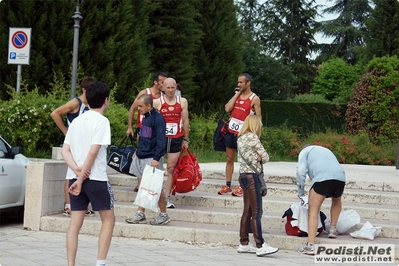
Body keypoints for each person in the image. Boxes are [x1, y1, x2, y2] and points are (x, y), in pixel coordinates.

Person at [61, 81, 115, 266]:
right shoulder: (102, 121)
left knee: (75, 224)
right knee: (108, 220)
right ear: (106, 100)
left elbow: (65, 151)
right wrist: (83, 175)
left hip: (73, 177)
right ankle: (100, 263)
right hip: (96, 178)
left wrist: (76, 171)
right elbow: (93, 151)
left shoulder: (76, 121)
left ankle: (70, 264)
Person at [51, 76, 96, 217]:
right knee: (71, 173)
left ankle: (82, 205)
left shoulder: (91, 105)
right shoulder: (75, 103)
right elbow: (55, 113)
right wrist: (65, 131)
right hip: (73, 145)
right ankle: (68, 205)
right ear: (84, 89)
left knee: (82, 173)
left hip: (85, 144)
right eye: (90, 90)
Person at [236, 115, 279, 257]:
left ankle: (244, 243)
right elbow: (265, 157)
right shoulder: (253, 138)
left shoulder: (240, 138)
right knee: (256, 212)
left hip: (242, 176)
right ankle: (260, 245)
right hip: (252, 177)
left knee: (246, 211)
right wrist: (260, 157)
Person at [125, 94, 171, 226]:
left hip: (151, 157)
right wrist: (137, 152)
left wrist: (156, 158)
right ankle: (141, 213)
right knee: (142, 186)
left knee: (155, 187)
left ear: (149, 106)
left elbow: (162, 141)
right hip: (141, 155)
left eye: (140, 106)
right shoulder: (145, 117)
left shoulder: (158, 119)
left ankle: (163, 214)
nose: (138, 108)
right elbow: (144, 137)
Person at [296, 144, 346, 255]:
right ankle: (332, 229)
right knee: (336, 200)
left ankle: (310, 245)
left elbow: (301, 171)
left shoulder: (305, 152)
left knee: (313, 211)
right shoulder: (325, 150)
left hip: (322, 179)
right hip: (340, 178)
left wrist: (301, 191)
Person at [218, 73, 262, 197]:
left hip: (244, 135)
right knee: (229, 159)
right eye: (238, 82)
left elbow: (258, 118)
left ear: (248, 83)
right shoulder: (236, 95)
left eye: (241, 82)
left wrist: (256, 137)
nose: (238, 84)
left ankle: (242, 186)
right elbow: (227, 109)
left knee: (243, 161)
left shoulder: (254, 98)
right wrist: (237, 93)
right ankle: (227, 185)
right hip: (231, 131)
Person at [126, 72, 168, 192]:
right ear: (155, 82)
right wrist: (130, 127)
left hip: (155, 127)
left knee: (152, 152)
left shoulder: (162, 96)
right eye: (162, 82)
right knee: (141, 153)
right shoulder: (144, 93)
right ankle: (140, 185)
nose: (164, 85)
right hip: (143, 126)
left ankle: (149, 186)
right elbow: (133, 109)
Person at [153, 78, 189, 208]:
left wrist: (186, 139)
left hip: (176, 138)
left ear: (176, 88)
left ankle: (167, 197)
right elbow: (151, 121)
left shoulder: (182, 101)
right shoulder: (157, 102)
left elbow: (185, 121)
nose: (170, 90)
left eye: (172, 88)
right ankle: (156, 196)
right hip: (161, 139)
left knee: (171, 168)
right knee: (157, 168)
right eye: (167, 88)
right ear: (163, 88)